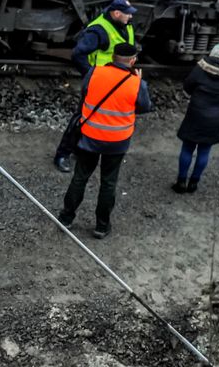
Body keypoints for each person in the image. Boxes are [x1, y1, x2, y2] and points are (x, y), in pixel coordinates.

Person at [57, 43, 151, 239]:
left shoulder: (94, 72)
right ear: (133, 61)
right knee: (108, 183)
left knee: (80, 177)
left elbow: (85, 95)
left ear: (113, 57)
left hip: (89, 136)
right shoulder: (136, 83)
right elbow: (143, 107)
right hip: (117, 141)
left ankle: (66, 218)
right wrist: (140, 82)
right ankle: (101, 226)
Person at [54, 0, 138, 172]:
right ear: (116, 13)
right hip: (99, 83)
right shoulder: (98, 31)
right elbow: (78, 55)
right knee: (82, 117)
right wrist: (92, 75)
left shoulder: (124, 25)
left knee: (92, 118)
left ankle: (78, 149)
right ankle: (62, 155)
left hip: (115, 82)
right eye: (127, 14)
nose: (130, 17)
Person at [172, 43, 219, 194]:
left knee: (188, 147)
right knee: (204, 150)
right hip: (216, 118)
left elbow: (187, 86)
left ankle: (181, 182)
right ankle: (194, 183)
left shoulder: (200, 67)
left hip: (195, 114)